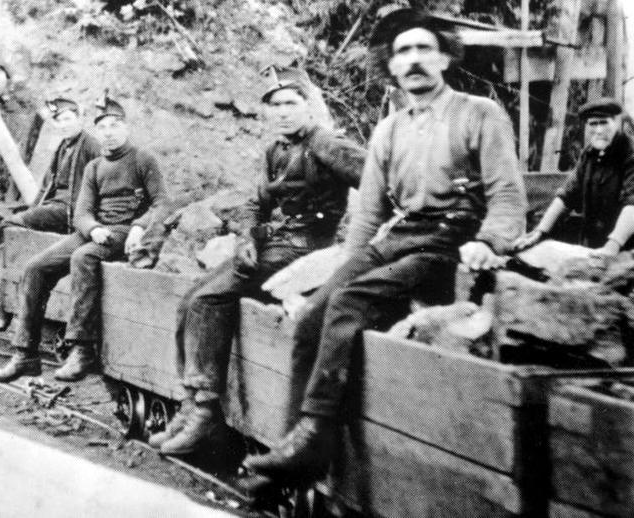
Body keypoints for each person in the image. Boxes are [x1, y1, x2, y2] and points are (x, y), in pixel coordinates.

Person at [238, 8, 527, 490]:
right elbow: (369, 214)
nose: (414, 60)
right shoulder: (389, 130)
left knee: (351, 302)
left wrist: (488, 240)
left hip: (451, 238)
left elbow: (508, 197)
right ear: (390, 66)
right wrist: (343, 267)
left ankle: (315, 437)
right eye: (403, 52)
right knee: (313, 313)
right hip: (400, 233)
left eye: (424, 49)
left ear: (444, 58)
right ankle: (293, 446)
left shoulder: (480, 113)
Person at [148, 66, 366, 456]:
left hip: (305, 250)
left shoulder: (327, 143)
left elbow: (376, 180)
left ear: (308, 107)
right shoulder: (275, 149)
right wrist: (247, 235)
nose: (283, 112)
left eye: (291, 104)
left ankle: (205, 411)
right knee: (188, 300)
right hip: (272, 244)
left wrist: (361, 237)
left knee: (208, 300)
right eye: (275, 105)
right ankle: (188, 404)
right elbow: (256, 203)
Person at [0, 91, 169, 383]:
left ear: (126, 127)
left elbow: (162, 203)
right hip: (97, 231)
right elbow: (83, 211)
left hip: (126, 232)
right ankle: (25, 355)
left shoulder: (142, 160)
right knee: (36, 267)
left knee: (82, 257)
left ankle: (82, 349)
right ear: (97, 129)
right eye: (103, 127)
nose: (108, 133)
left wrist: (139, 225)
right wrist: (93, 228)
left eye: (114, 125)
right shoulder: (94, 167)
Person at [0, 97, 101, 333]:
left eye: (69, 119)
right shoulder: (63, 146)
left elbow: (101, 184)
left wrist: (88, 216)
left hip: (71, 212)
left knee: (12, 225)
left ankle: (0, 313)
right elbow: (47, 185)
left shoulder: (91, 146)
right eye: (59, 121)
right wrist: (33, 210)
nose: (64, 125)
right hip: (55, 207)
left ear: (79, 119)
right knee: (18, 242)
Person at [513, 98, 634, 260]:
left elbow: (632, 204)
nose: (598, 130)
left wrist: (613, 245)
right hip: (594, 246)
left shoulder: (630, 154)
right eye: (593, 124)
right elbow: (567, 195)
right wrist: (539, 232)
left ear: (617, 123)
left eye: (604, 123)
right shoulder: (589, 155)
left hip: (626, 249)